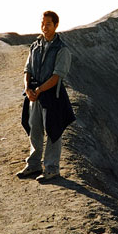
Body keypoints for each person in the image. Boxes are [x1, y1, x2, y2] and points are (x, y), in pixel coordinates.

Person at [18, 10, 76, 183]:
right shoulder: (35, 46)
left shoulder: (62, 50)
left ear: (56, 25)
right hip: (35, 95)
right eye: (42, 23)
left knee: (53, 131)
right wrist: (28, 88)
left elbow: (58, 76)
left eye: (48, 24)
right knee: (34, 129)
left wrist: (40, 90)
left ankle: (51, 168)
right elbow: (27, 69)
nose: (44, 27)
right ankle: (34, 164)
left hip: (53, 96)